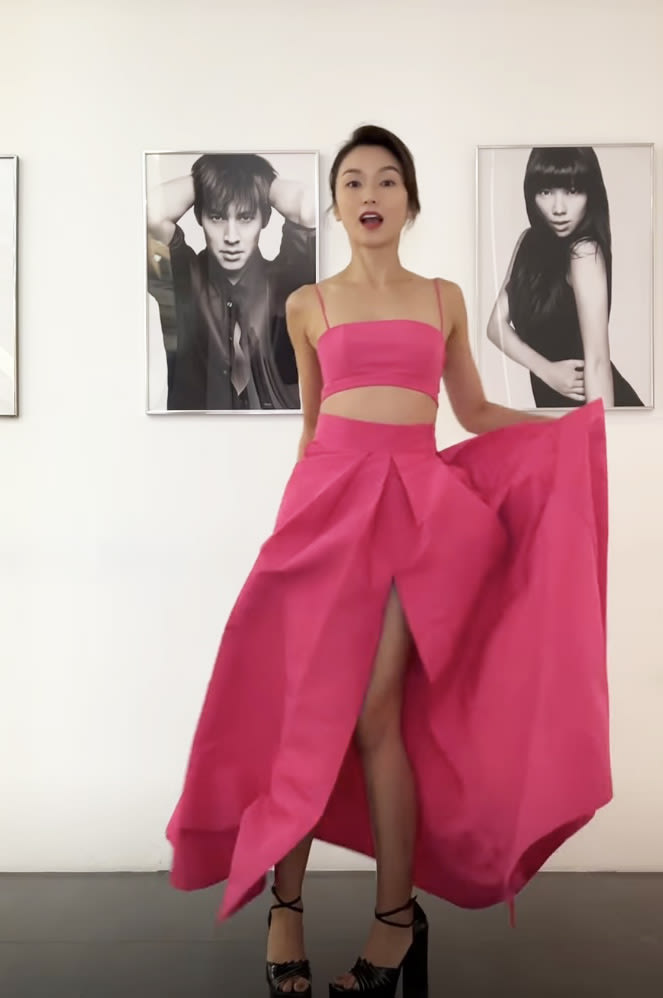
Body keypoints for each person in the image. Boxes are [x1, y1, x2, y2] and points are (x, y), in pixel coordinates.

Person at [166, 126, 610, 997]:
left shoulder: (442, 298)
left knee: (373, 713)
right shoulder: (307, 303)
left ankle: (395, 918)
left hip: (413, 509)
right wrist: (289, 526)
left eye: (386, 181)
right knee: (301, 709)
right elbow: (311, 428)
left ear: (409, 201)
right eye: (352, 182)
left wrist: (570, 431)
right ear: (334, 204)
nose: (369, 194)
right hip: (324, 509)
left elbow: (473, 412)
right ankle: (285, 909)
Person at [147, 153, 316, 410]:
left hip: (280, 431)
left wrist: (252, 179)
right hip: (191, 432)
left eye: (246, 217)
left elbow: (308, 206)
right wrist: (212, 179)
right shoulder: (182, 279)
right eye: (217, 217)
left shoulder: (287, 281)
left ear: (265, 218)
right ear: (199, 217)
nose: (231, 237)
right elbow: (151, 212)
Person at [487, 146, 643, 409]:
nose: (558, 208)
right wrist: (546, 370)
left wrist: (605, 430)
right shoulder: (527, 242)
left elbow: (597, 362)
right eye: (546, 192)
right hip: (558, 409)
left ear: (590, 193)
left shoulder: (584, 252)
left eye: (572, 191)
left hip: (594, 405)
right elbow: (495, 327)